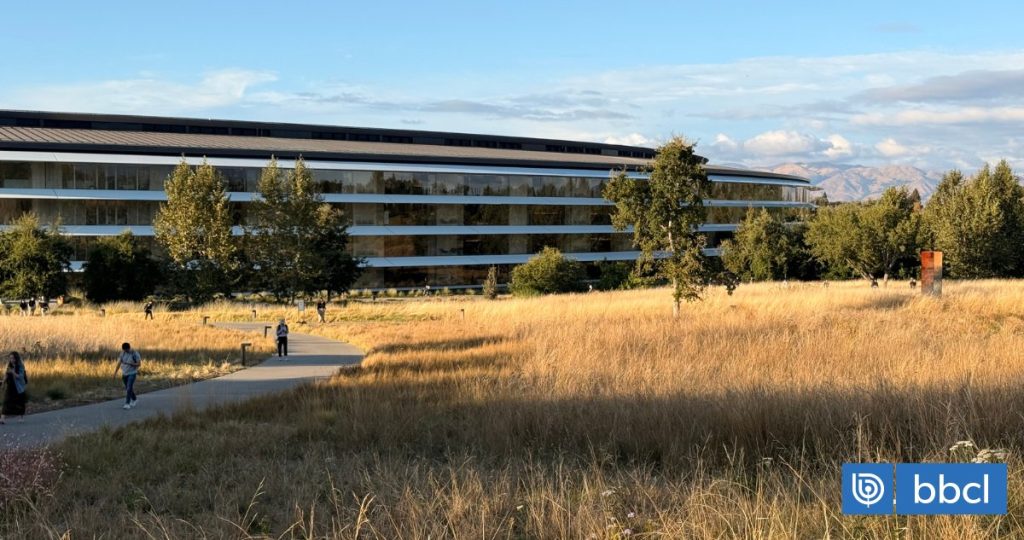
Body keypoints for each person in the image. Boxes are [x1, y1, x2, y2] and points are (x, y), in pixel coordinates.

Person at [1, 352, 28, 423]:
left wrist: (13, 372)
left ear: (16, 358)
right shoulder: (9, 365)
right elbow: (6, 375)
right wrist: (3, 382)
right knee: (6, 401)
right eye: (10, 358)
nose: (11, 360)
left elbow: (20, 377)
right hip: (10, 386)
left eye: (13, 358)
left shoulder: (20, 366)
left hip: (18, 387)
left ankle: (21, 418)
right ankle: (2, 419)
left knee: (19, 402)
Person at [115, 342, 141, 410]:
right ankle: (134, 399)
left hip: (132, 373)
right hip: (124, 373)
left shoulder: (135, 353)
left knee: (129, 388)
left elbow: (139, 364)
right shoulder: (122, 353)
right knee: (128, 388)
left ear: (129, 348)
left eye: (127, 350)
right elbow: (119, 363)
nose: (126, 351)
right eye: (124, 350)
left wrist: (132, 364)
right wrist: (115, 372)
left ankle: (127, 404)